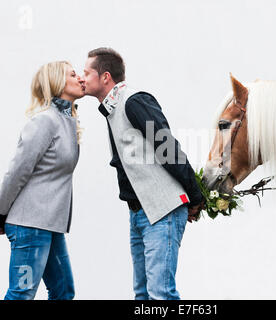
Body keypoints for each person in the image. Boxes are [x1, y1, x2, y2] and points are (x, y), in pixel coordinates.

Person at [82, 47, 204, 300]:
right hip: (138, 213)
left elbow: (167, 147)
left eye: (86, 72)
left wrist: (195, 195)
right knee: (142, 295)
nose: (82, 78)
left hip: (163, 210)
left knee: (160, 294)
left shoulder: (134, 101)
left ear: (105, 77)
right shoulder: (112, 108)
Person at [0, 61, 85, 300]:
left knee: (63, 291)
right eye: (73, 74)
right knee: (22, 293)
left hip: (50, 224)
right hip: (30, 224)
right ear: (58, 82)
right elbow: (17, 171)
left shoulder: (67, 121)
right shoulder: (45, 121)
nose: (81, 78)